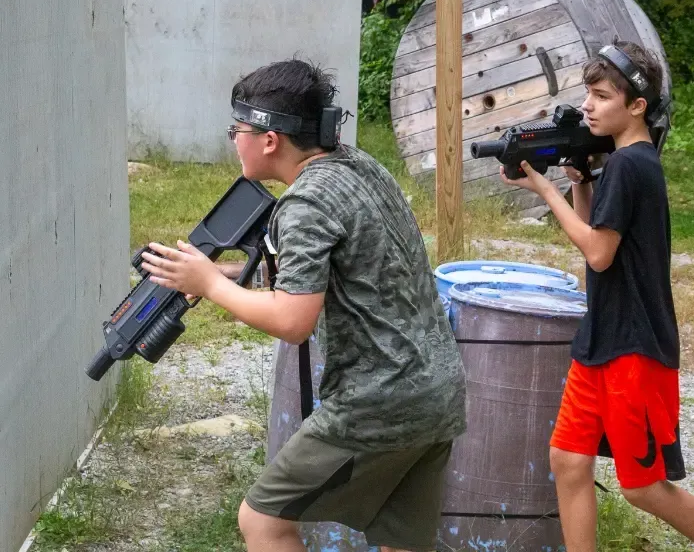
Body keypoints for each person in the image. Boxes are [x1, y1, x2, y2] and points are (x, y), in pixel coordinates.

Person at [141, 59, 467, 552]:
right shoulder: (360, 167)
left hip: (377, 400)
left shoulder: (305, 202)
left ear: (269, 140)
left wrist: (210, 284)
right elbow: (344, 269)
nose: (234, 139)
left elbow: (293, 322)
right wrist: (230, 276)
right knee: (402, 543)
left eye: (238, 129)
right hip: (436, 390)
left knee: (262, 521)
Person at [500, 41, 694, 552]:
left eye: (602, 96)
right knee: (568, 460)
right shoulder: (622, 163)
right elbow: (597, 236)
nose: (588, 105)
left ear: (637, 107)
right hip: (603, 338)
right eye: (588, 93)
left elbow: (599, 253)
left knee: (642, 486)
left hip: (635, 347)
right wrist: (581, 183)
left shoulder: (632, 166)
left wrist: (545, 193)